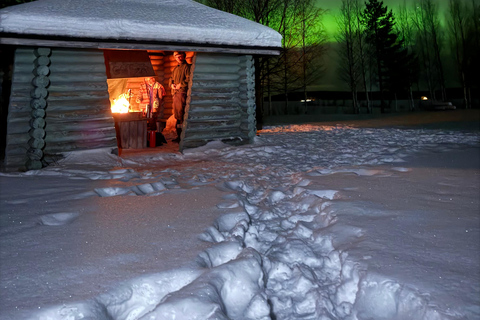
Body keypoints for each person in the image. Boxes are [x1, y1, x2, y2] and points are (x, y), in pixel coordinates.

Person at [169, 51, 191, 143]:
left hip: (182, 93)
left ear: (183, 56)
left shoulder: (187, 67)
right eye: (176, 57)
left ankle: (182, 136)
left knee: (181, 114)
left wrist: (180, 85)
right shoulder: (176, 68)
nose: (178, 58)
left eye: (179, 56)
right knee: (177, 115)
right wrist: (171, 85)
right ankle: (179, 135)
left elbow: (189, 79)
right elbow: (171, 78)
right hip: (175, 94)